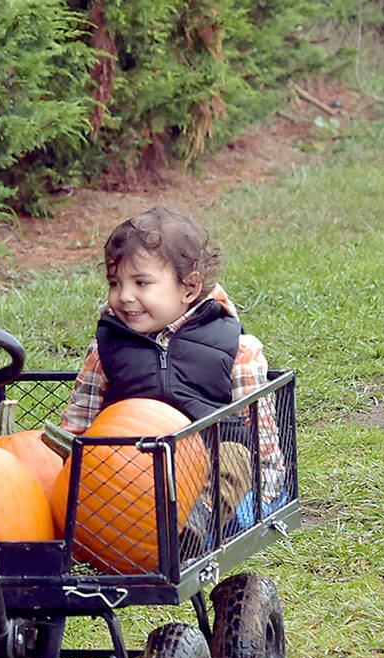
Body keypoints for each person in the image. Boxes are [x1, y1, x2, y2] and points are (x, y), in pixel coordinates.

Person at [53, 207, 283, 545]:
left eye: (141, 282)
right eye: (115, 283)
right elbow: (79, 425)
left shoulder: (236, 346)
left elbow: (260, 435)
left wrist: (268, 488)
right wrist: (57, 477)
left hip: (208, 470)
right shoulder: (105, 349)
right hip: (129, 474)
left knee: (236, 454)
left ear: (188, 288)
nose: (124, 296)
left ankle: (194, 524)